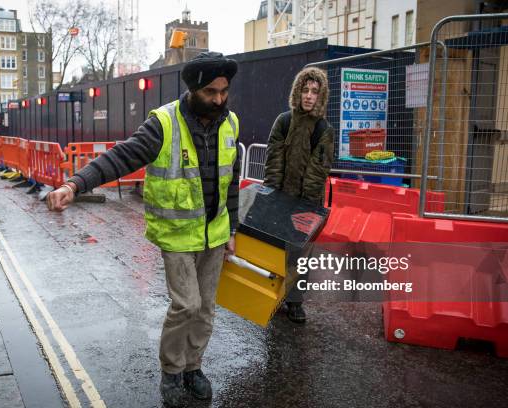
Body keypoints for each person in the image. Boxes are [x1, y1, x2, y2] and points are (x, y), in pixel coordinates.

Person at [46, 52, 240, 407]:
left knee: (206, 309)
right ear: (194, 89)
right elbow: (120, 157)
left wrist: (232, 228)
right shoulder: (164, 124)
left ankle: (192, 368)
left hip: (215, 232)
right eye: (212, 91)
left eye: (224, 91)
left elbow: (231, 181)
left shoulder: (230, 123)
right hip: (178, 235)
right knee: (187, 304)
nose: (219, 99)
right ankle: (171, 371)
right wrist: (74, 185)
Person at [262, 66, 334, 324]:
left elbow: (318, 171)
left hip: (306, 202)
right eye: (305, 90)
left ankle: (294, 302)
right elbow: (274, 161)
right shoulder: (283, 121)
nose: (309, 96)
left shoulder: (323, 128)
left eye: (315, 91)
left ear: (320, 96)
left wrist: (306, 207)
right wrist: (272, 196)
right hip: (281, 197)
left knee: (300, 253)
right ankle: (273, 295)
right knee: (276, 250)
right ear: (298, 92)